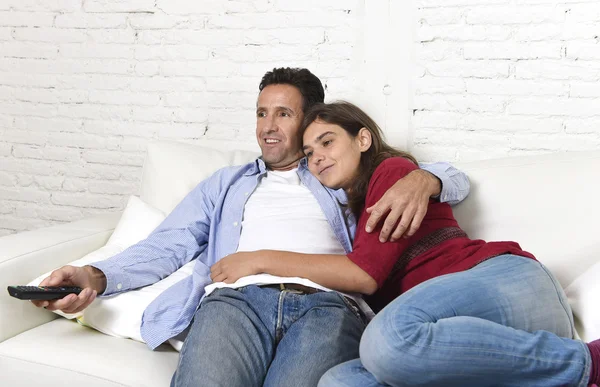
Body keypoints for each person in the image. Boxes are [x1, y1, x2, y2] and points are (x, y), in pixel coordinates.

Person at [31, 68, 470, 387]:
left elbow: (448, 176)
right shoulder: (225, 185)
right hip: (235, 303)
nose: (267, 127)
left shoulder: (341, 174)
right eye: (261, 113)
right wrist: (94, 275)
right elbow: (168, 245)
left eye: (283, 114)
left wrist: (425, 179)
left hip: (329, 307)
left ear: (311, 120)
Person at [221, 100, 599, 387]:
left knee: (386, 340)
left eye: (327, 141)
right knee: (339, 381)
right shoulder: (352, 221)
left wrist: (259, 260)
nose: (318, 157)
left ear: (363, 139)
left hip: (513, 285)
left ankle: (585, 362)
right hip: (460, 335)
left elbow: (364, 276)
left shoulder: (393, 173)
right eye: (309, 153)